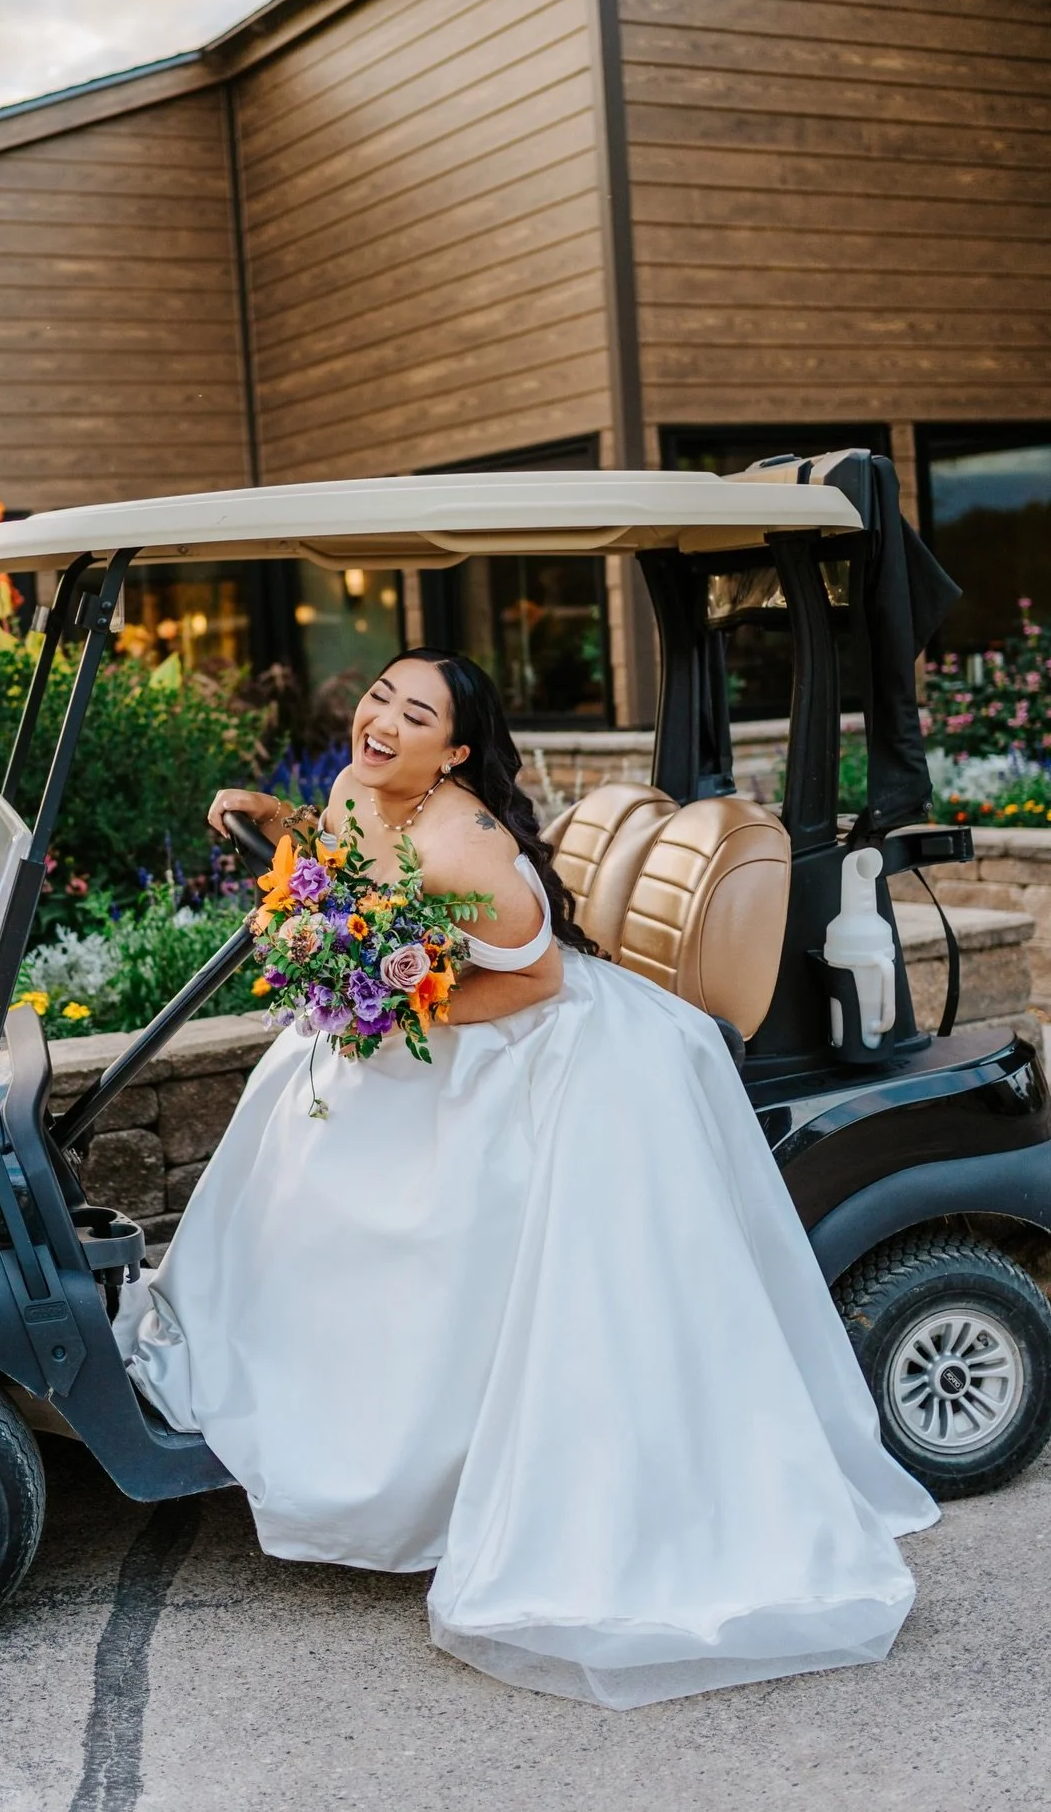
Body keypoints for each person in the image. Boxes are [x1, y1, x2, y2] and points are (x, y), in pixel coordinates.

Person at [115, 647, 938, 1708]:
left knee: (396, 1191)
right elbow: (346, 859)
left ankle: (382, 1454)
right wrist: (287, 835)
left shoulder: (467, 842)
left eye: (416, 716)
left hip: (541, 1039)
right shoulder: (359, 782)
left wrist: (388, 1008)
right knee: (298, 1116)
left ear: (453, 750)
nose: (383, 722)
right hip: (441, 1014)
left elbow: (536, 981)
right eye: (379, 698)